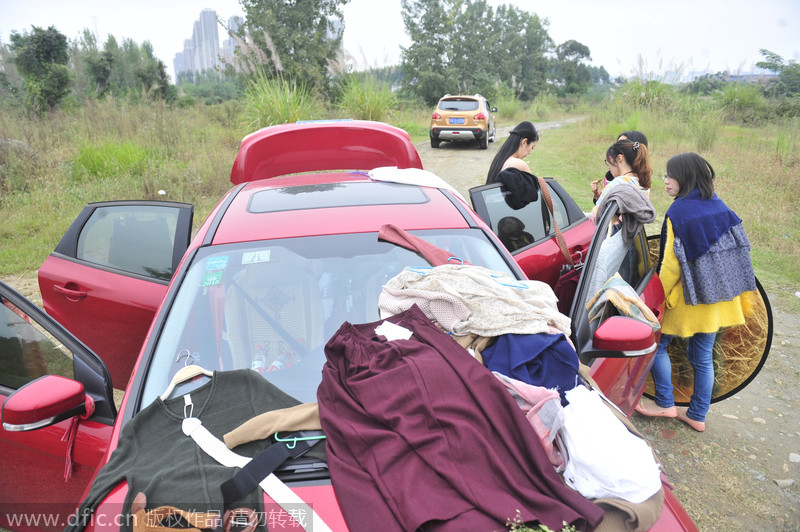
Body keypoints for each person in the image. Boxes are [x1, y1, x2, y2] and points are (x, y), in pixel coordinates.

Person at [635, 152, 756, 432]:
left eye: (670, 175)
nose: (665, 181)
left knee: (658, 345)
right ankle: (698, 414)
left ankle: (665, 402)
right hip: (717, 300)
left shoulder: (678, 213)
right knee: (702, 356)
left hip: (689, 300)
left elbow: (669, 267)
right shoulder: (720, 207)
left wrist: (656, 299)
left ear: (684, 177)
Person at [589, 139, 652, 222]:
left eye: (609, 162)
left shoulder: (617, 183)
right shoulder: (643, 185)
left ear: (619, 158)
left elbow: (595, 216)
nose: (609, 167)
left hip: (613, 233)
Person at [591, 131, 649, 204]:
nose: (615, 148)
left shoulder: (617, 183)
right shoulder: (644, 182)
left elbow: (597, 212)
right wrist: (598, 196)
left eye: (621, 144)